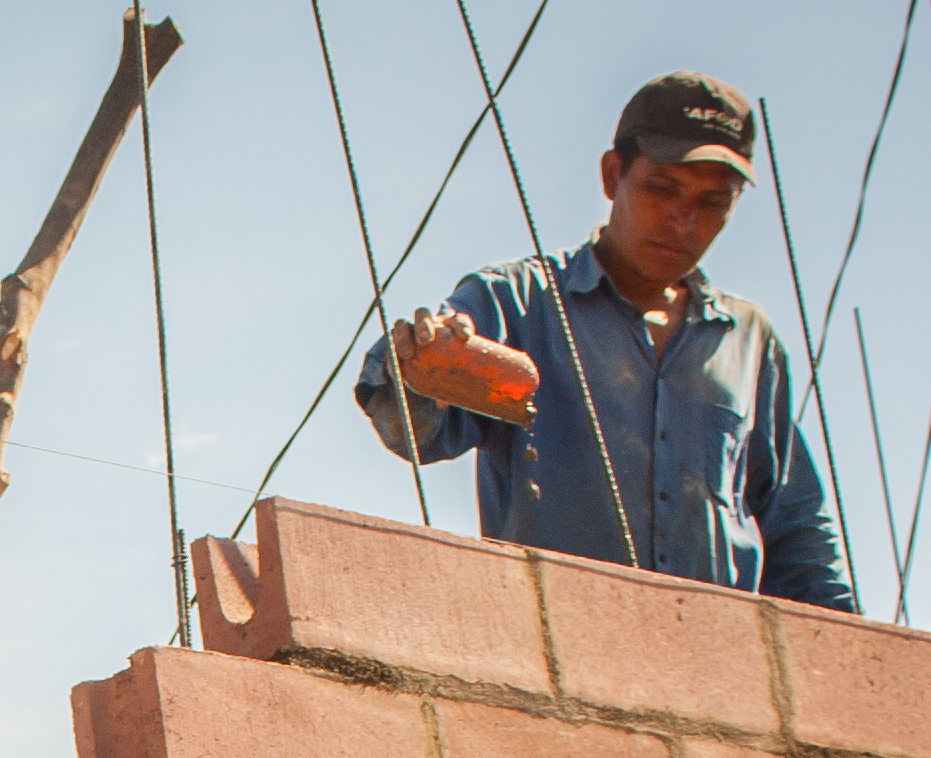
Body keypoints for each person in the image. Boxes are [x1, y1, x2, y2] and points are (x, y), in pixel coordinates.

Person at [357, 71, 855, 610]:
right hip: (556, 657)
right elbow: (415, 425)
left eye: (713, 202)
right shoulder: (520, 301)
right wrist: (417, 361)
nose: (682, 220)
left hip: (718, 667)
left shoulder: (750, 341)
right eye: (661, 189)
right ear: (612, 174)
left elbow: (798, 532)